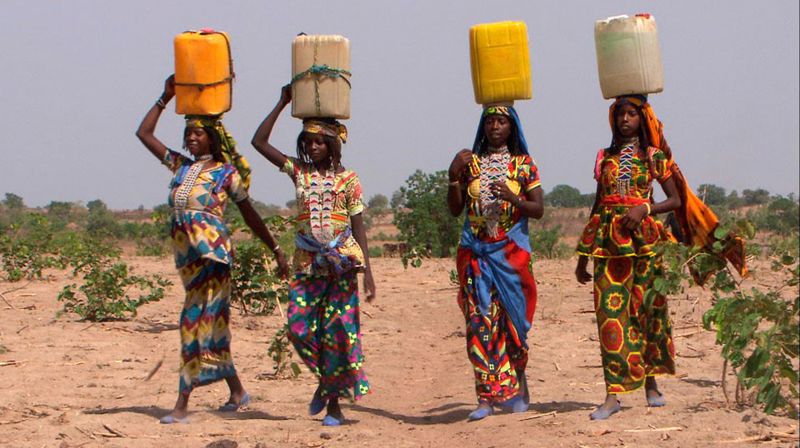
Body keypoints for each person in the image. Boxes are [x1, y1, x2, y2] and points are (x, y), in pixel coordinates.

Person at [136, 75, 289, 424]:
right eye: (188, 133)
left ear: (213, 137)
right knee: (213, 327)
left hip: (214, 257)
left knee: (193, 324)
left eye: (198, 133)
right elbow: (143, 134)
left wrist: (276, 249)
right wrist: (164, 97)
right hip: (188, 260)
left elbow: (250, 215)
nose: (191, 138)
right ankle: (236, 390)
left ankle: (182, 404)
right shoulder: (180, 166)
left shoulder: (225, 174)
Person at [251, 85, 376, 427]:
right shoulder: (299, 173)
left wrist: (369, 272)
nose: (312, 147)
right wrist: (281, 102)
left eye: (319, 141)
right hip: (307, 264)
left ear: (333, 143)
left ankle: (334, 405)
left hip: (342, 264)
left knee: (337, 333)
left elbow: (358, 226)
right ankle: (326, 381)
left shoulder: (349, 180)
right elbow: (258, 143)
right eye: (307, 142)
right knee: (299, 329)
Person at [574, 94, 683, 420]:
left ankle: (650, 382)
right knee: (610, 316)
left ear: (642, 118)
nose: (625, 119)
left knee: (646, 310)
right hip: (608, 245)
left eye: (632, 114)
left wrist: (645, 208)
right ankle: (613, 395)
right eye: (620, 114)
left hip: (645, 244)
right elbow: (597, 205)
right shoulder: (603, 157)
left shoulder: (653, 156)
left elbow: (675, 199)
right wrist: (583, 254)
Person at [446, 104, 544, 421]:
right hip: (477, 255)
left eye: (501, 121)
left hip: (511, 257)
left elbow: (538, 208)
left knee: (514, 326)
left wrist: (514, 199)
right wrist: (452, 176)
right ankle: (486, 397)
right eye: (489, 122)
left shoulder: (524, 165)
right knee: (479, 325)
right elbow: (455, 209)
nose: (495, 127)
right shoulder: (470, 164)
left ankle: (519, 386)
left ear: (512, 126)